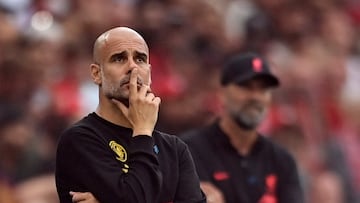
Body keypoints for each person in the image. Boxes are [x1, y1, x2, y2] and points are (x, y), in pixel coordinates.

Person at [55, 27, 206, 203]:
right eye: (119, 58)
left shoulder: (174, 149)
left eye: (140, 59)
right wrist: (142, 130)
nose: (132, 67)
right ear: (97, 74)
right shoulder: (80, 140)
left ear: (149, 73)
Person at [180, 52, 304, 203]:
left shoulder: (281, 160)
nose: (255, 97)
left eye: (263, 90)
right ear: (222, 94)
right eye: (246, 87)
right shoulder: (189, 151)